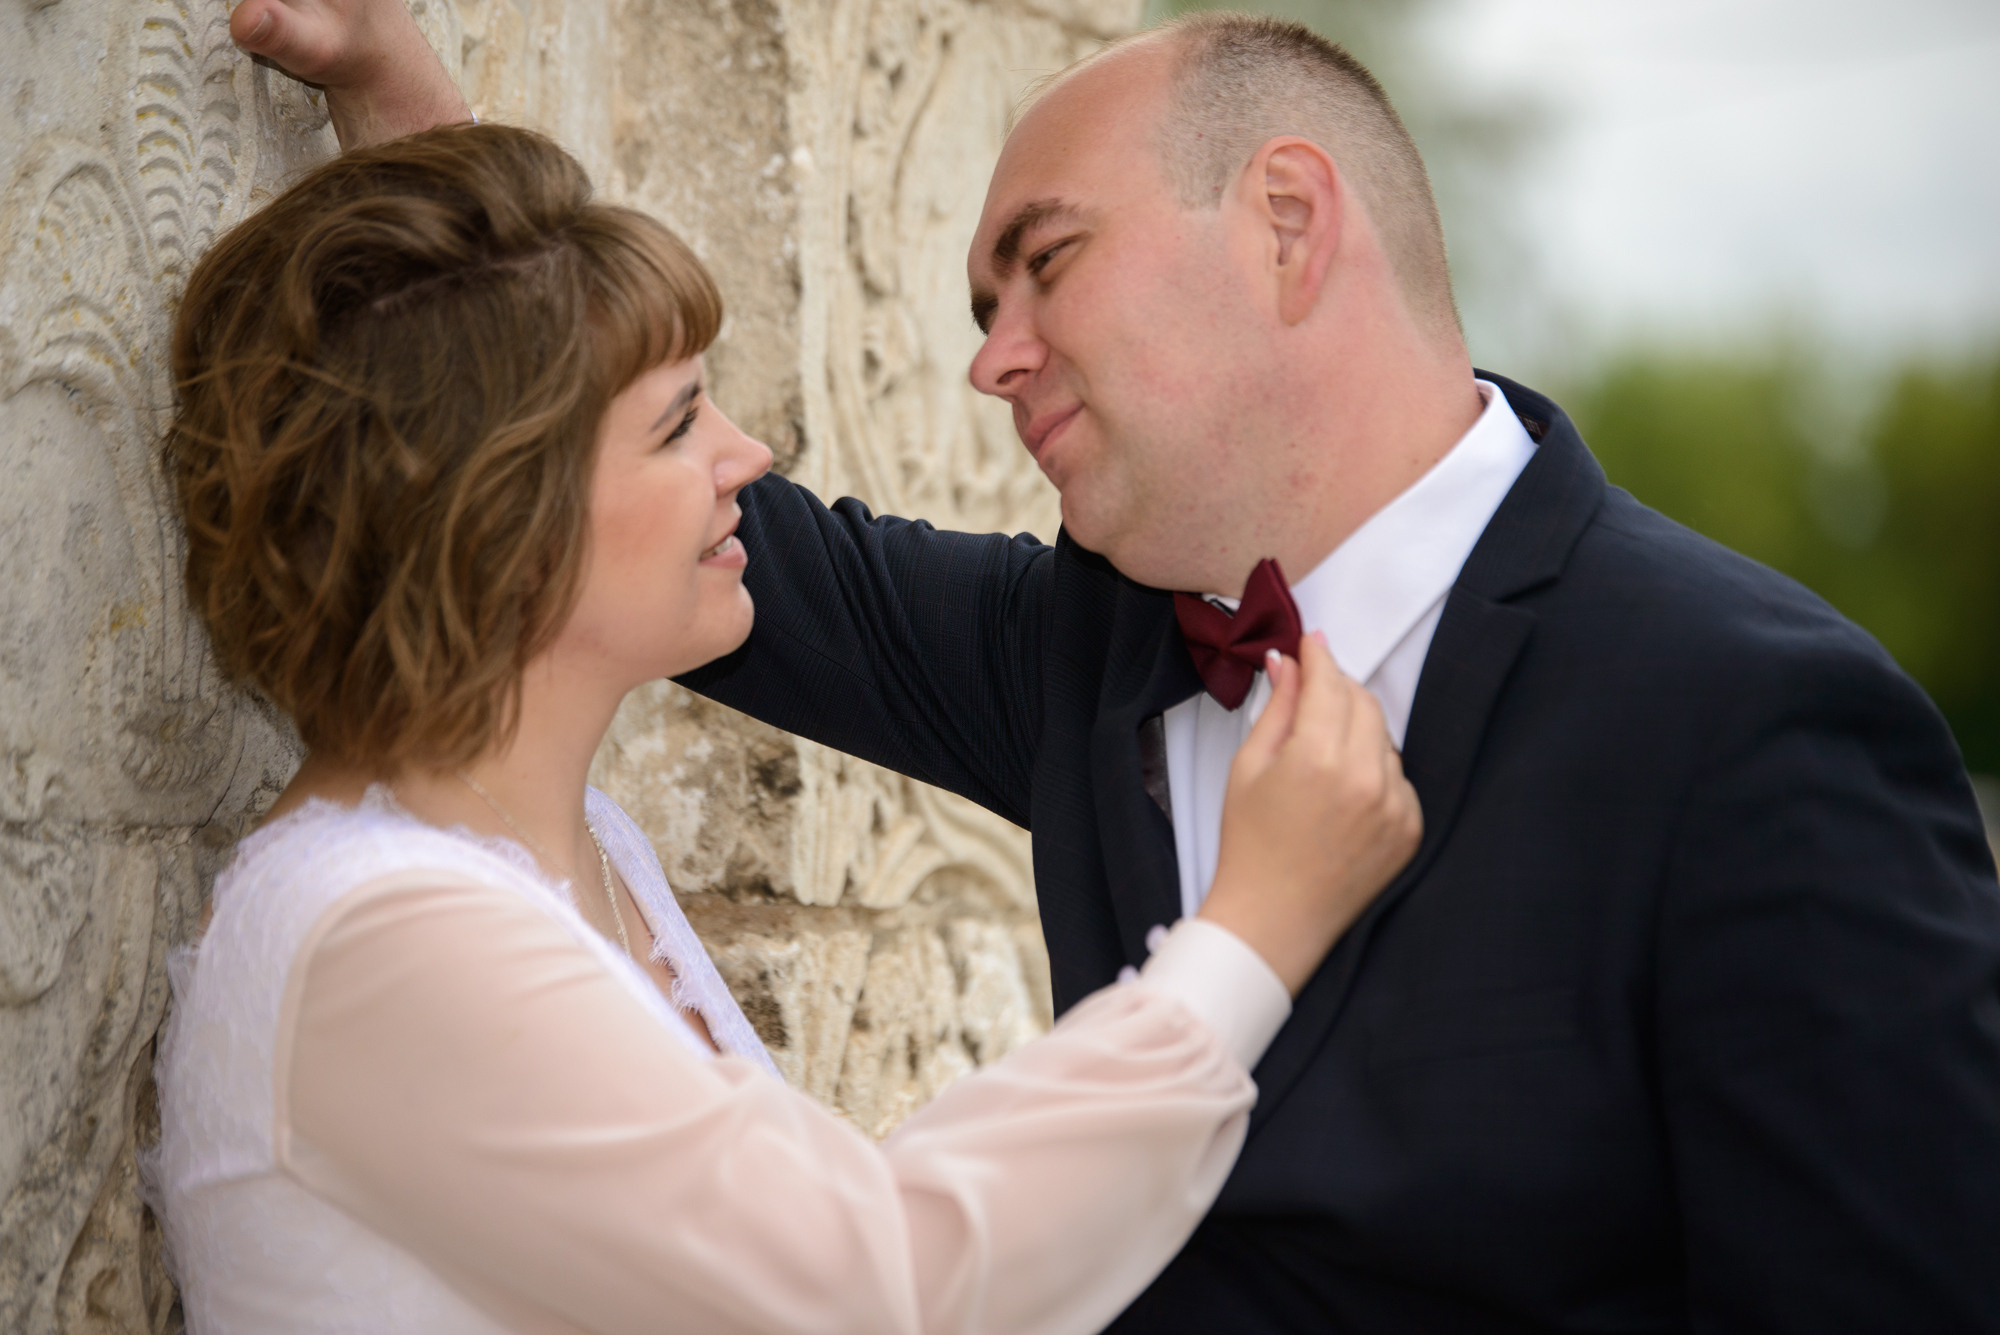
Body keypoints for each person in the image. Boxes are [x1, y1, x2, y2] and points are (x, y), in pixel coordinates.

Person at [235, 1, 2000, 1331]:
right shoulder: (1081, 649)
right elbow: (593, 507)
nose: (996, 362)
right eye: (979, 308)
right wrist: (414, 129)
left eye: (1044, 268)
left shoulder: (1753, 721)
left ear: (1291, 225)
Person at [149, 115, 1424, 1332]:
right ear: (499, 517)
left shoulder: (579, 848)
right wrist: (1251, 935)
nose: (745, 455)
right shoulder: (379, 934)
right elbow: (876, 1286)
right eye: (677, 423)